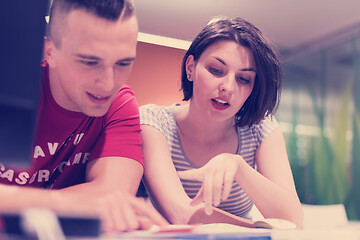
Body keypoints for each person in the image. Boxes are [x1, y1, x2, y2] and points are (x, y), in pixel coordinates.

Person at [0, 0, 167, 233]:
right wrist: (72, 204)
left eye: (123, 63)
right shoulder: (9, 89)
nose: (109, 84)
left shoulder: (120, 103)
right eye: (89, 62)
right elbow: (103, 203)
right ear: (50, 53)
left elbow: (113, 194)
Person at [140, 17, 303, 228]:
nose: (228, 87)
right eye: (216, 70)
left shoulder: (260, 127)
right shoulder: (153, 122)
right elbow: (182, 215)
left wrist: (238, 167)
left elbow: (293, 221)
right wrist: (259, 228)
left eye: (243, 79)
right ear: (190, 67)